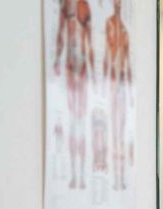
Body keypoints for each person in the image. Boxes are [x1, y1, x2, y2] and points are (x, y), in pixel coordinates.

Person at [53, 0, 95, 190]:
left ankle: (82, 175)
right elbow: (61, 35)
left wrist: (94, 74)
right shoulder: (66, 7)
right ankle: (74, 174)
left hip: (83, 69)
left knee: (82, 123)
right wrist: (56, 60)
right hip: (71, 67)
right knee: (73, 123)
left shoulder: (84, 7)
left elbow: (89, 41)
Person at [103, 0, 133, 191]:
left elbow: (127, 62)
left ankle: (120, 177)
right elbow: (107, 55)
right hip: (112, 83)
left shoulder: (124, 31)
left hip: (122, 83)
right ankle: (113, 176)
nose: (118, 5)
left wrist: (130, 91)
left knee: (121, 132)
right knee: (112, 131)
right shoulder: (110, 25)